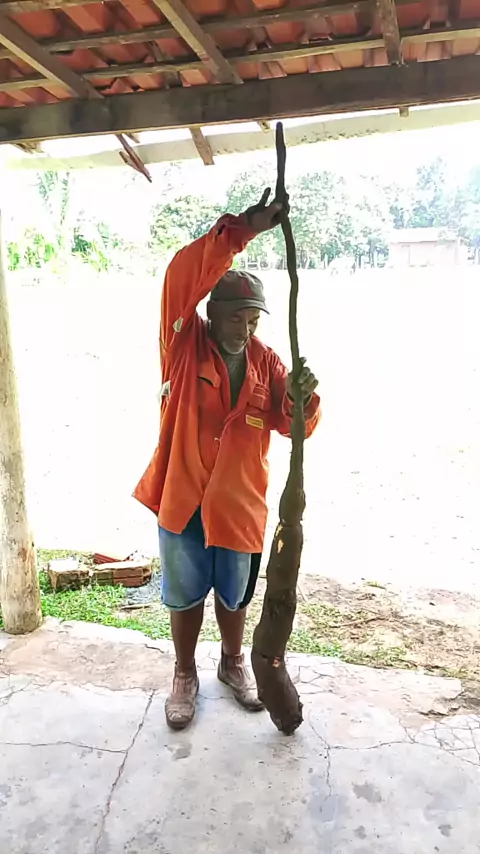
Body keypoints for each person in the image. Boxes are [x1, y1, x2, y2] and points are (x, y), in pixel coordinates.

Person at [134, 188, 321, 730]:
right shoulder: (182, 346)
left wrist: (304, 399)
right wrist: (243, 230)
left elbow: (295, 424)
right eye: (237, 318)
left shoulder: (267, 362)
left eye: (253, 319)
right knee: (185, 594)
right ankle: (184, 672)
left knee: (235, 595)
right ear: (211, 314)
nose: (246, 329)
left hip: (239, 506)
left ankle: (232, 662)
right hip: (184, 499)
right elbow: (181, 275)